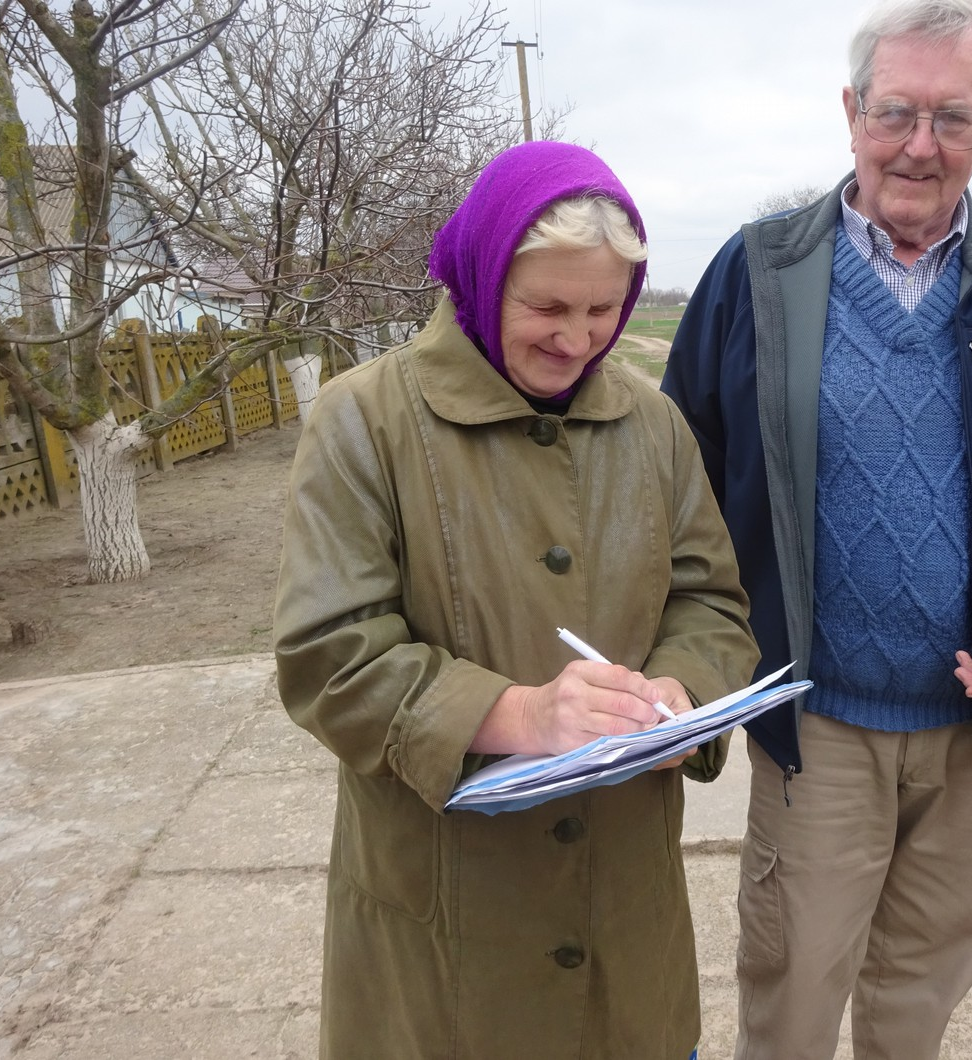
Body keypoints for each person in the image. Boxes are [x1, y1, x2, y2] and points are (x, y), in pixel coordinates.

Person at [661, 1, 972, 1058]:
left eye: (951, 117)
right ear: (849, 113)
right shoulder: (756, 274)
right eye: (894, 111)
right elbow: (674, 481)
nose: (918, 145)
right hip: (818, 720)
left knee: (921, 991)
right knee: (792, 990)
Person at [273, 140, 760, 1059]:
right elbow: (328, 655)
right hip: (446, 932)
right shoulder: (363, 420)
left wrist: (680, 696)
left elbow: (710, 604)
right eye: (546, 306)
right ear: (481, 274)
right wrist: (523, 713)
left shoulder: (651, 425)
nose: (577, 339)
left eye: (603, 309)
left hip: (625, 916)